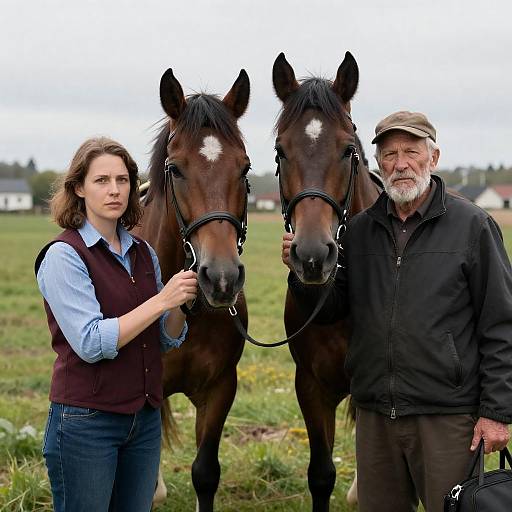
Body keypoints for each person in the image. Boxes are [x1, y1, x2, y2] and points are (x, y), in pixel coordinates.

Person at [282, 111, 512, 512]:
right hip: (374, 417)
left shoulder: (472, 226)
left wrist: (495, 413)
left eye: (411, 151)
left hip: (446, 418)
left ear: (433, 157)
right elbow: (331, 310)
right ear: (377, 164)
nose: (401, 164)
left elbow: (502, 324)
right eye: (389, 154)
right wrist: (303, 275)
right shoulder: (358, 231)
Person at [35, 137, 197, 512]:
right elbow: (91, 342)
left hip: (143, 421)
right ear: (78, 188)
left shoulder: (143, 254)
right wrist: (162, 300)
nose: (115, 190)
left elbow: (163, 339)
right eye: (102, 180)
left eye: (123, 180)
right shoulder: (64, 256)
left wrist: (184, 305)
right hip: (85, 424)